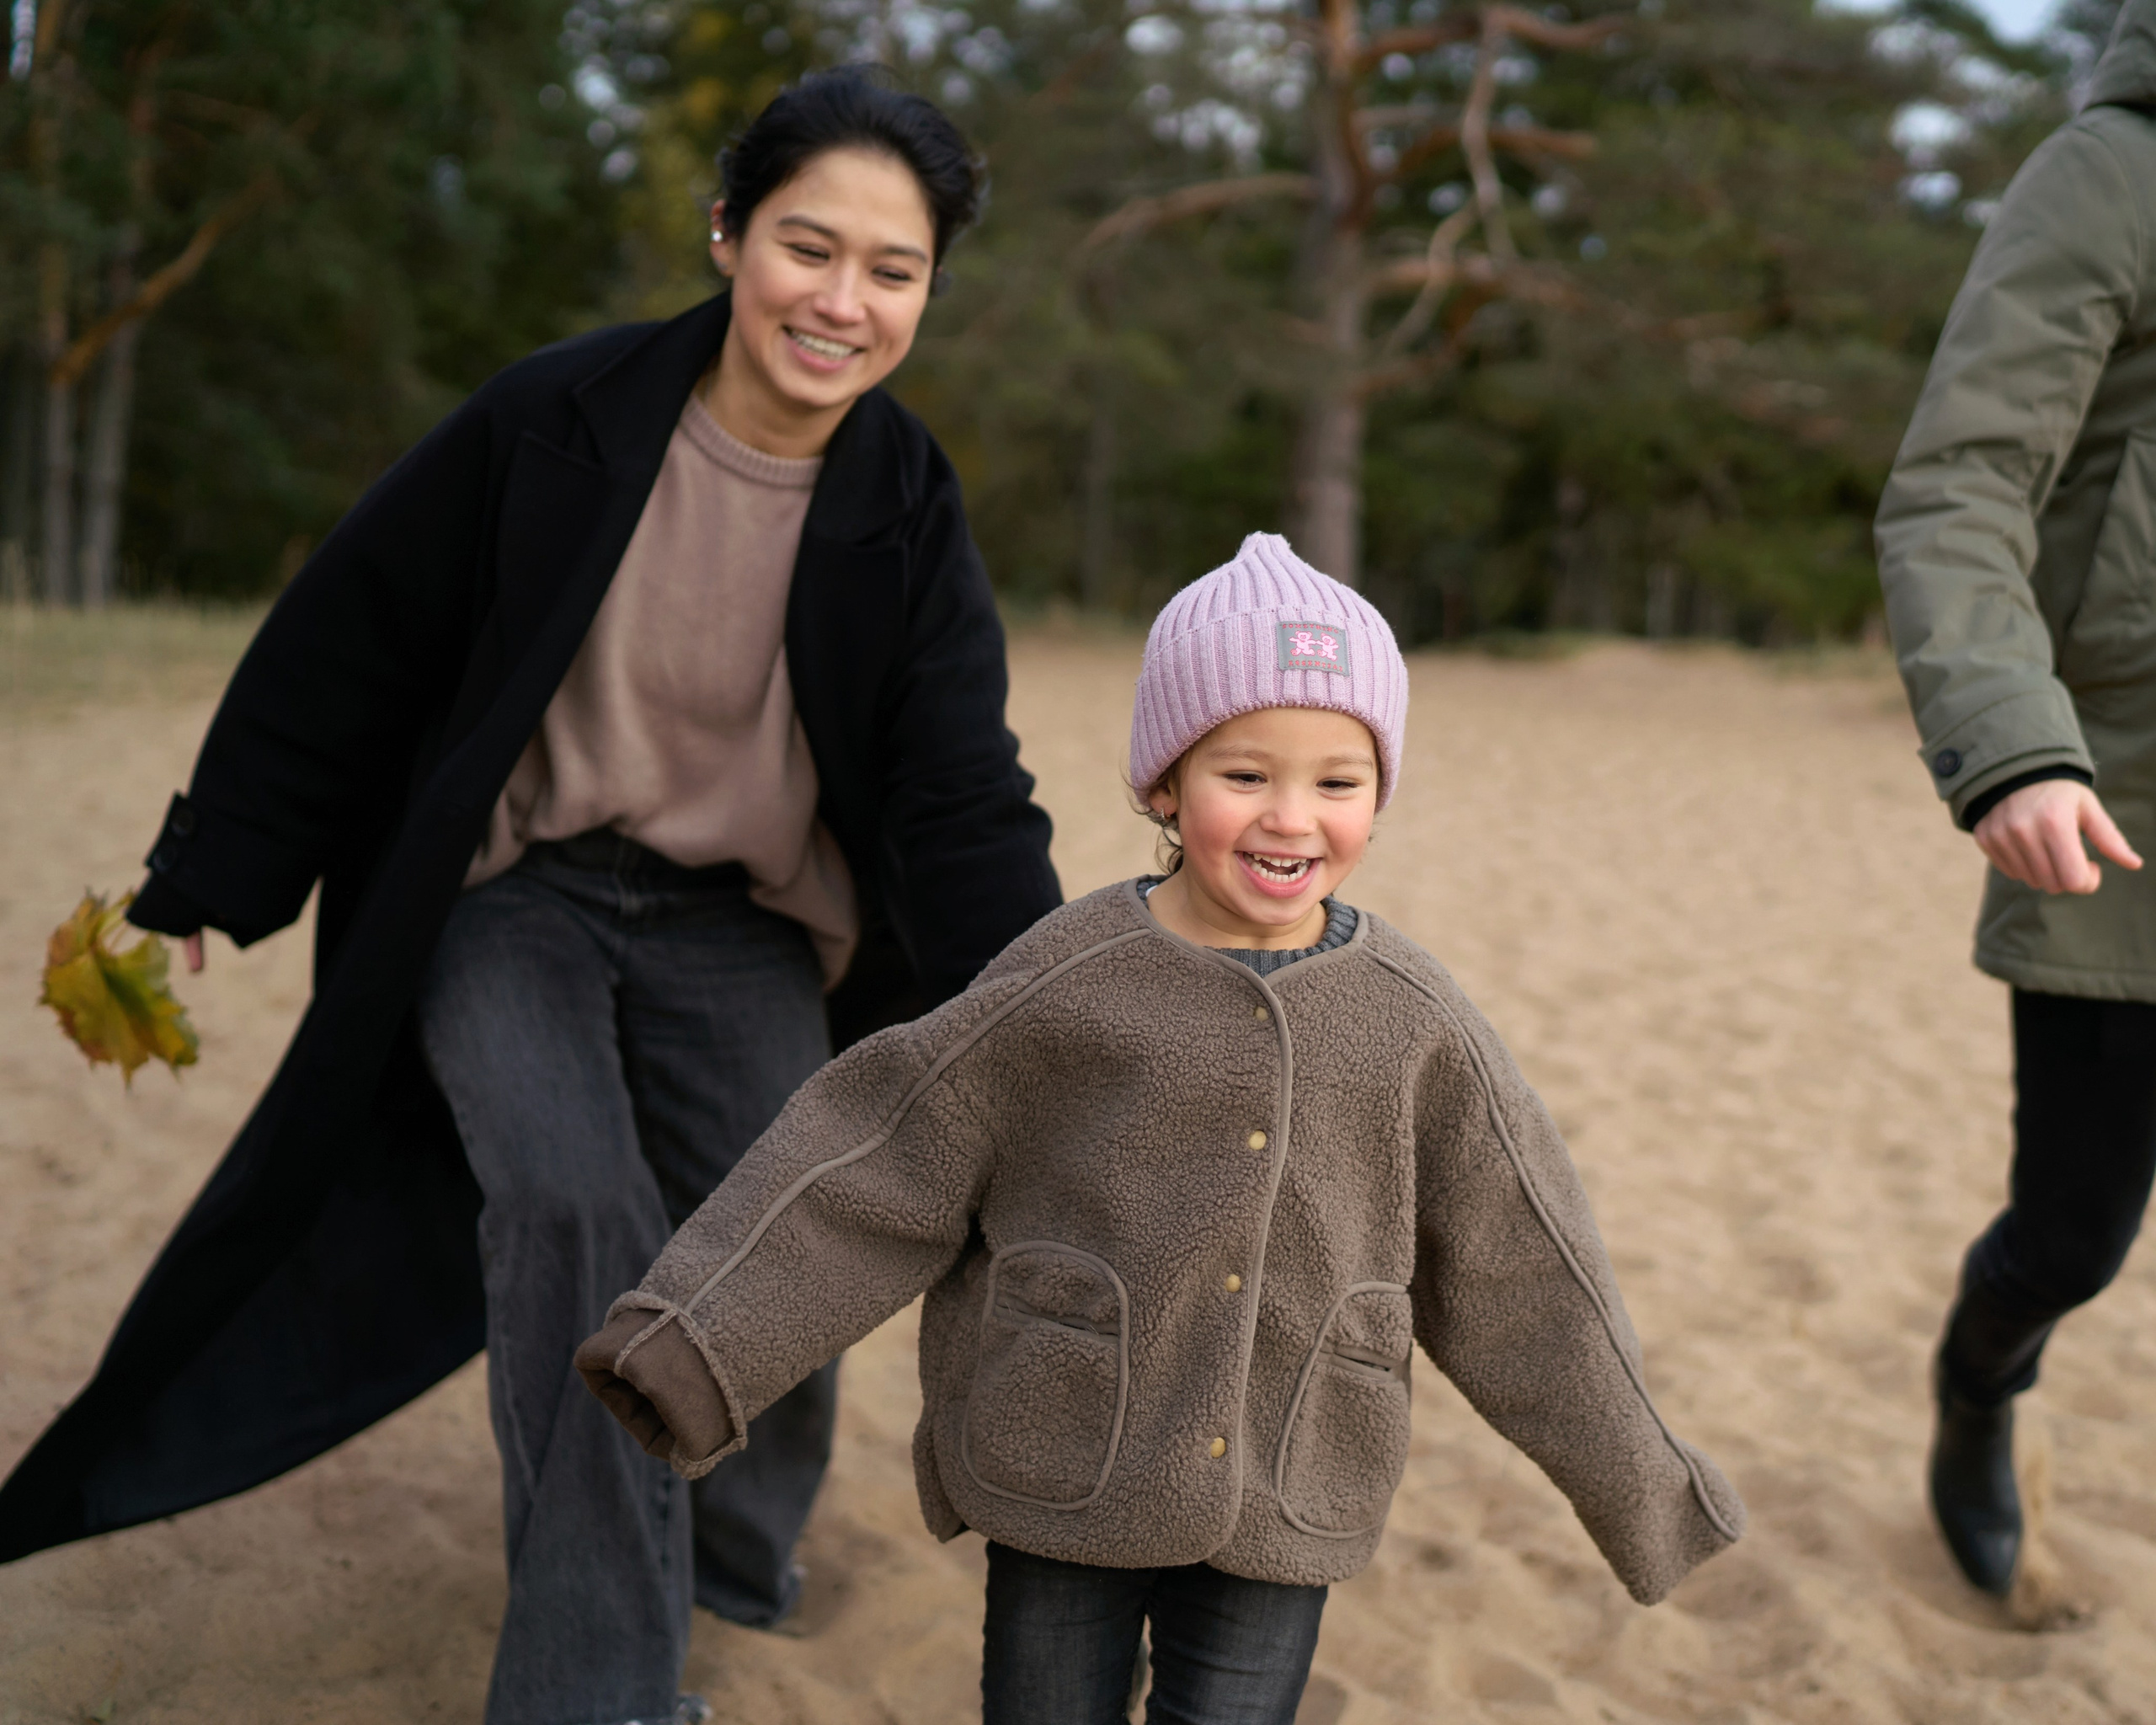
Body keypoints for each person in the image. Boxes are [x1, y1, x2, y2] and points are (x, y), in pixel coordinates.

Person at [0, 69, 1060, 1725]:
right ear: (726, 236)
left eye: (893, 269)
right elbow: (352, 643)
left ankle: (730, 1540)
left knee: (779, 1223)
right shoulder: (553, 422)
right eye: (807, 246)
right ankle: (595, 1689)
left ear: (928, 289)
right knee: (573, 1216)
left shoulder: (904, 507)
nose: (841, 301)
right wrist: (215, 869)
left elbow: (958, 786)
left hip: (749, 923)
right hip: (514, 899)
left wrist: (1052, 1000)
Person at [574, 533, 1745, 1723]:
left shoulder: (1415, 1022)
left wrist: (1643, 1489)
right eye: (1245, 776)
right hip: (1064, 1458)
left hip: (1291, 1480)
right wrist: (699, 1345)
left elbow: (1524, 1269)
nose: (1292, 818)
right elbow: (874, 1162)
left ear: (1379, 798)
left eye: (1338, 782)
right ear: (1163, 786)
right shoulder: (1065, 979)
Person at [1874, 0, 2156, 1600]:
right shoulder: (2111, 173)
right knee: (2072, 1237)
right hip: (2119, 815)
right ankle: (1980, 1390)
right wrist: (2015, 743)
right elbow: (1961, 482)